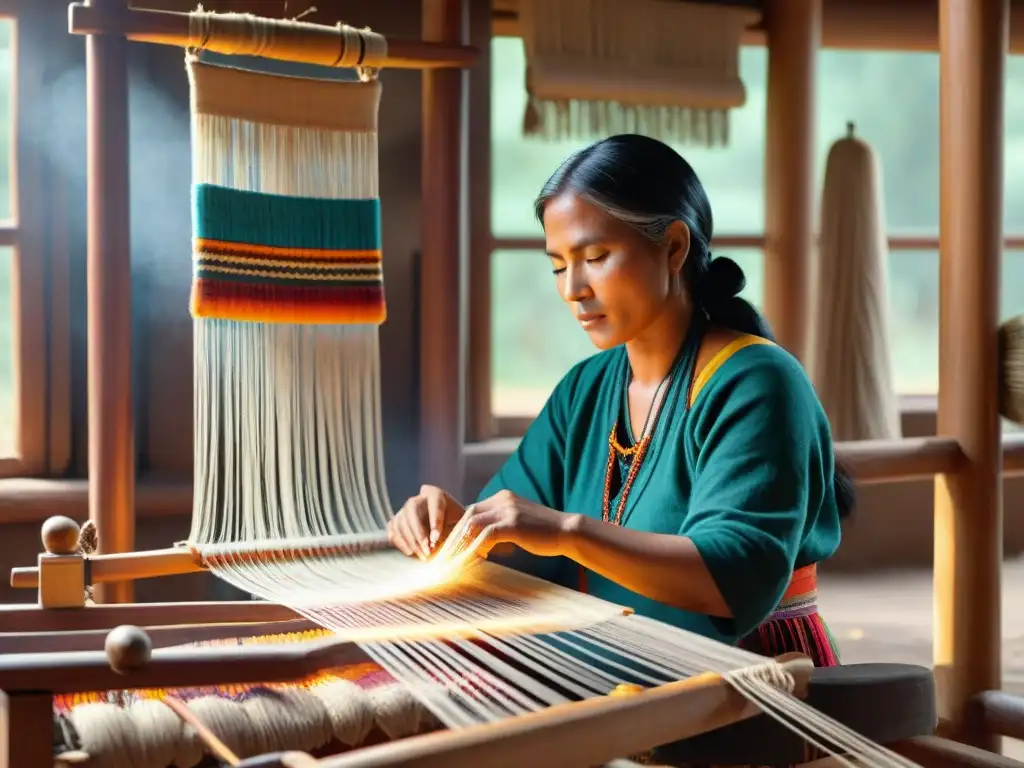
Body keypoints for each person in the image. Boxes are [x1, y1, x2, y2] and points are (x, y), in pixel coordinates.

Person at [387, 133, 853, 667]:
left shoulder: (759, 382)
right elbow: (519, 543)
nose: (572, 289)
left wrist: (566, 531)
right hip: (622, 661)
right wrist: (458, 527)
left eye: (595, 256)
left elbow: (732, 578)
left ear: (674, 247)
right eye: (559, 265)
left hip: (753, 677)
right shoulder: (585, 389)